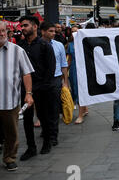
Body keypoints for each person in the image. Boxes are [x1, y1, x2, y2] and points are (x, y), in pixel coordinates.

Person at [18, 16, 56, 160]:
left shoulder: (44, 45)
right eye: (21, 26)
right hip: (25, 89)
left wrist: (44, 87)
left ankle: (47, 142)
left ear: (35, 27)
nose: (23, 28)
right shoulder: (20, 46)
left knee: (44, 117)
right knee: (27, 119)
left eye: (26, 25)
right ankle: (31, 148)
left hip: (42, 88)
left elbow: (50, 69)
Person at [0, 21, 35, 171]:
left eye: (2, 30)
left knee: (11, 133)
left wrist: (28, 93)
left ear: (7, 31)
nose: (0, 33)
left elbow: (26, 72)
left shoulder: (17, 50)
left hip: (9, 101)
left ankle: (9, 158)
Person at [40, 21, 69, 146]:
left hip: (55, 79)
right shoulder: (38, 45)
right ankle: (45, 129)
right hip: (40, 80)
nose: (53, 33)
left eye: (54, 31)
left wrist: (65, 82)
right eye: (50, 31)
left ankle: (53, 135)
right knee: (42, 108)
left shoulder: (59, 45)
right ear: (43, 31)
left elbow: (64, 65)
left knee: (54, 108)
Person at [67, 25, 89, 124]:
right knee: (75, 90)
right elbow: (69, 59)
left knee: (81, 90)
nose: (74, 33)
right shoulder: (70, 44)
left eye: (76, 31)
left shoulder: (84, 43)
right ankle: (85, 109)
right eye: (72, 31)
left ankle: (80, 115)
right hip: (73, 70)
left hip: (83, 69)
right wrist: (64, 72)